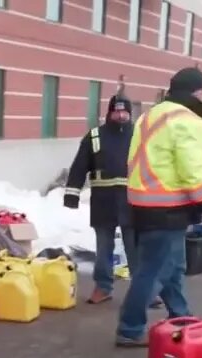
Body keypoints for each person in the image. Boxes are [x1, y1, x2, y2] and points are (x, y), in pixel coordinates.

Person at [116, 68, 202, 347]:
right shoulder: (188, 119)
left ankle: (181, 317)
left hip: (143, 202)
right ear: (198, 91)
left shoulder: (152, 114)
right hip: (168, 205)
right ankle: (130, 327)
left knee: (173, 267)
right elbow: (191, 167)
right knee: (153, 271)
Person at [63, 93, 137, 304]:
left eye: (125, 111)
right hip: (103, 202)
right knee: (104, 247)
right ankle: (103, 287)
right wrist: (72, 195)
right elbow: (79, 166)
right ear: (109, 112)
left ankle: (143, 291)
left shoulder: (139, 135)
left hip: (132, 202)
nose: (121, 115)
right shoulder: (95, 136)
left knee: (135, 247)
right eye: (117, 111)